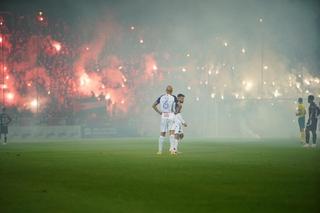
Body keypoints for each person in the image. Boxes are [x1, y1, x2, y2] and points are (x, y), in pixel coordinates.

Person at [152, 85, 177, 154]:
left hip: (164, 115)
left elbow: (153, 105)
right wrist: (176, 112)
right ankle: (172, 150)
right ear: (172, 91)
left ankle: (160, 151)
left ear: (166, 90)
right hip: (171, 114)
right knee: (172, 132)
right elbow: (178, 106)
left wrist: (159, 112)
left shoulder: (161, 97)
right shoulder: (173, 97)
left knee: (162, 133)